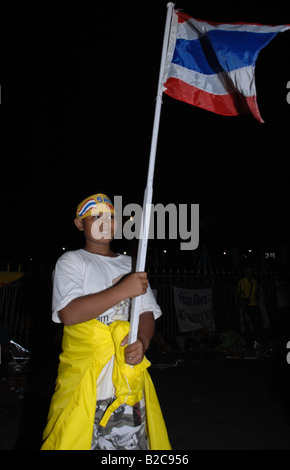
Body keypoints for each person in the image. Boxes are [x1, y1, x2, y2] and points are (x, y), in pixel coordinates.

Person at [41, 193, 171, 450]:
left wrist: (143, 341)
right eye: (96, 216)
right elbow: (69, 314)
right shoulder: (72, 261)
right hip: (85, 386)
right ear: (80, 224)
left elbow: (145, 313)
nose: (105, 222)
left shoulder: (131, 265)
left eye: (111, 217)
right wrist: (123, 289)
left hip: (126, 384)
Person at [238, 266, 263, 344]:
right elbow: (240, 296)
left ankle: (257, 339)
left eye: (251, 272)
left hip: (254, 305)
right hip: (247, 306)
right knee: (247, 325)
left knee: (257, 323)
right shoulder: (241, 282)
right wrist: (244, 309)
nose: (249, 273)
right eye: (248, 272)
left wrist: (257, 299)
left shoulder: (254, 281)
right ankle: (249, 341)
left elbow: (257, 291)